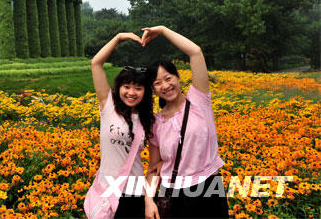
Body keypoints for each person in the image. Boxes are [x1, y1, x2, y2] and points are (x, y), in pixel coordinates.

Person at [142, 26, 229, 219]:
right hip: (173, 194)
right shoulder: (155, 123)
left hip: (209, 188)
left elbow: (195, 52)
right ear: (154, 90)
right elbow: (153, 168)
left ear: (178, 77)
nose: (165, 85)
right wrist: (148, 201)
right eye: (157, 83)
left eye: (168, 78)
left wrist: (163, 30)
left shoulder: (199, 100)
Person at [88, 32, 155, 218]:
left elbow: (156, 163)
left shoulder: (149, 119)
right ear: (119, 88)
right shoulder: (108, 106)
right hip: (107, 188)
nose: (131, 92)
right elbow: (96, 63)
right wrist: (118, 38)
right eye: (127, 86)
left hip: (134, 190)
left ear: (145, 92)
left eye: (138, 88)